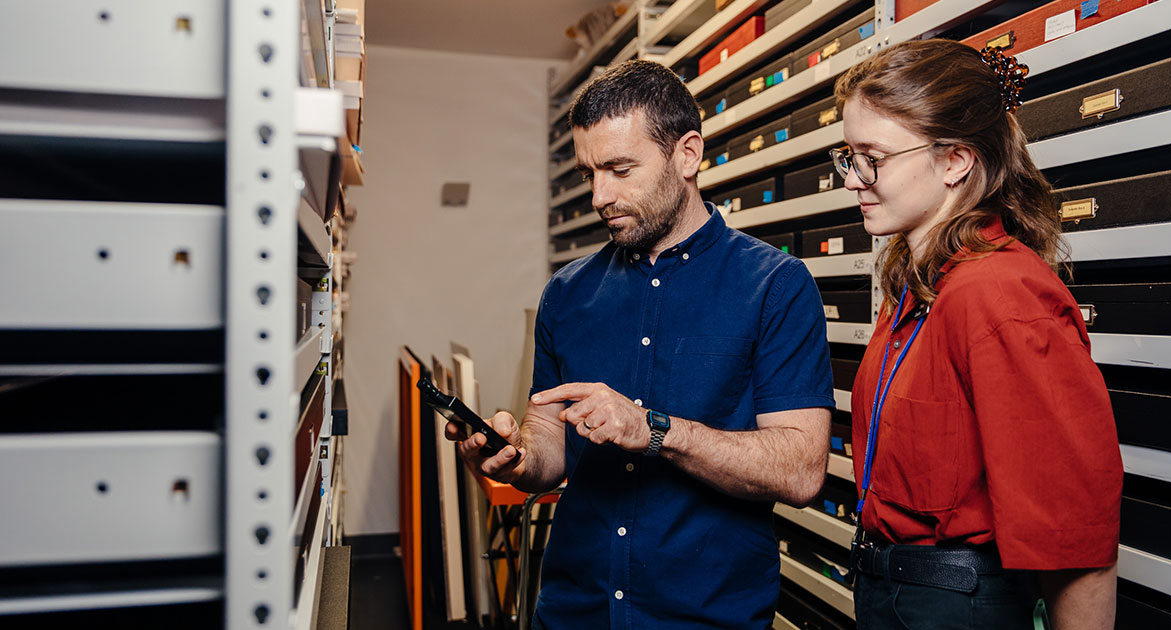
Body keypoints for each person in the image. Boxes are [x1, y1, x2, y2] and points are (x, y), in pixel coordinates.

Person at [446, 60, 834, 629]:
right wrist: (515, 458)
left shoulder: (775, 286)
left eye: (621, 169)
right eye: (589, 174)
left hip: (706, 615)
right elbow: (550, 446)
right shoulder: (567, 294)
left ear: (688, 154)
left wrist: (653, 429)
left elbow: (801, 470)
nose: (601, 195)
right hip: (577, 609)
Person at [833, 40, 1123, 629]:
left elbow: (1073, 532)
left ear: (955, 161)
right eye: (849, 157)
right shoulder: (919, 289)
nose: (853, 180)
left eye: (874, 159)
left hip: (954, 604)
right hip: (894, 590)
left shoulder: (998, 292)